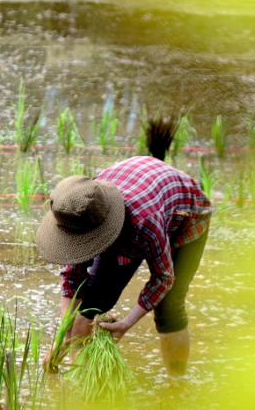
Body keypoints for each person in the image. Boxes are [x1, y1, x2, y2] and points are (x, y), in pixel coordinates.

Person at [35, 155, 211, 375]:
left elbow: (163, 277)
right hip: (136, 199)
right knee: (89, 307)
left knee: (168, 307)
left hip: (187, 216)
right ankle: (81, 380)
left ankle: (176, 385)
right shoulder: (80, 208)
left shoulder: (144, 222)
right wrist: (63, 335)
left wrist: (127, 323)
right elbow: (73, 276)